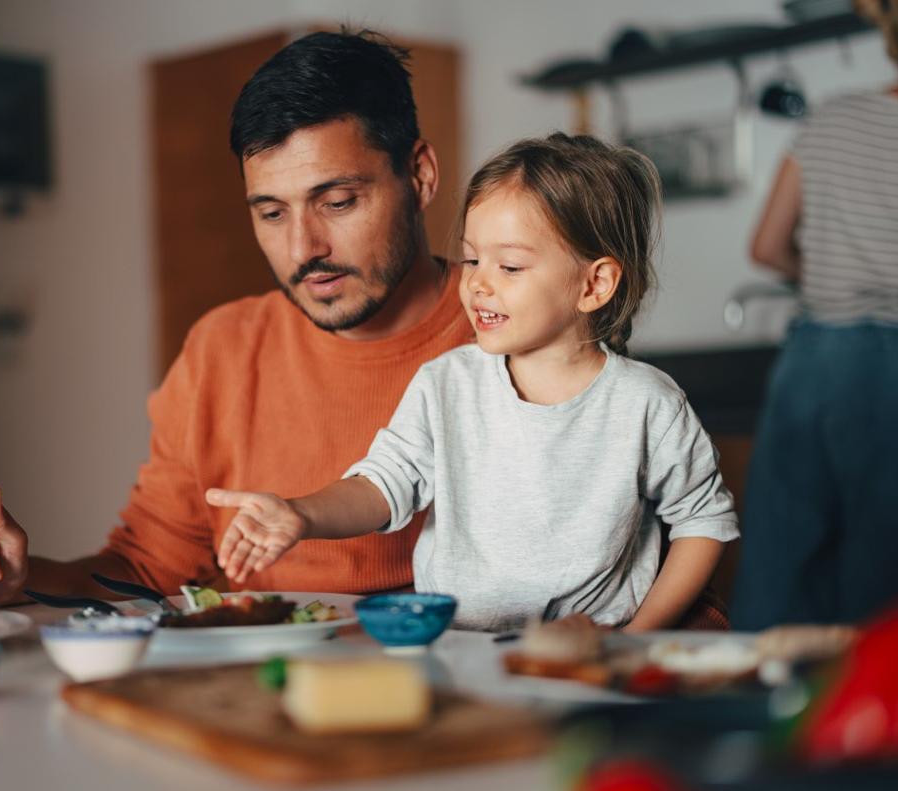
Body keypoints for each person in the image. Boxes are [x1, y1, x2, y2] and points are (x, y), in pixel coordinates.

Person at [0, 29, 472, 605]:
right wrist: (5, 577)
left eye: (337, 202)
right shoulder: (223, 349)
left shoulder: (515, 331)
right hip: (265, 683)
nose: (304, 248)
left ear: (420, 175)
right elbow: (141, 570)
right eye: (273, 212)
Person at [207, 134, 740, 632]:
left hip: (590, 656)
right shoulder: (446, 385)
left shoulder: (647, 404)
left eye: (508, 266)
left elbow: (703, 522)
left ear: (594, 283)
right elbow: (381, 486)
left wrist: (636, 637)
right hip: (461, 650)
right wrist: (300, 513)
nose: (477, 282)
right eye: (471, 258)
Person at [731, 0, 898, 630]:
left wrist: (839, 275)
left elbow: (766, 245)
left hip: (816, 364)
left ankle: (760, 719)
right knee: (887, 586)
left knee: (783, 565)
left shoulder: (835, 119)